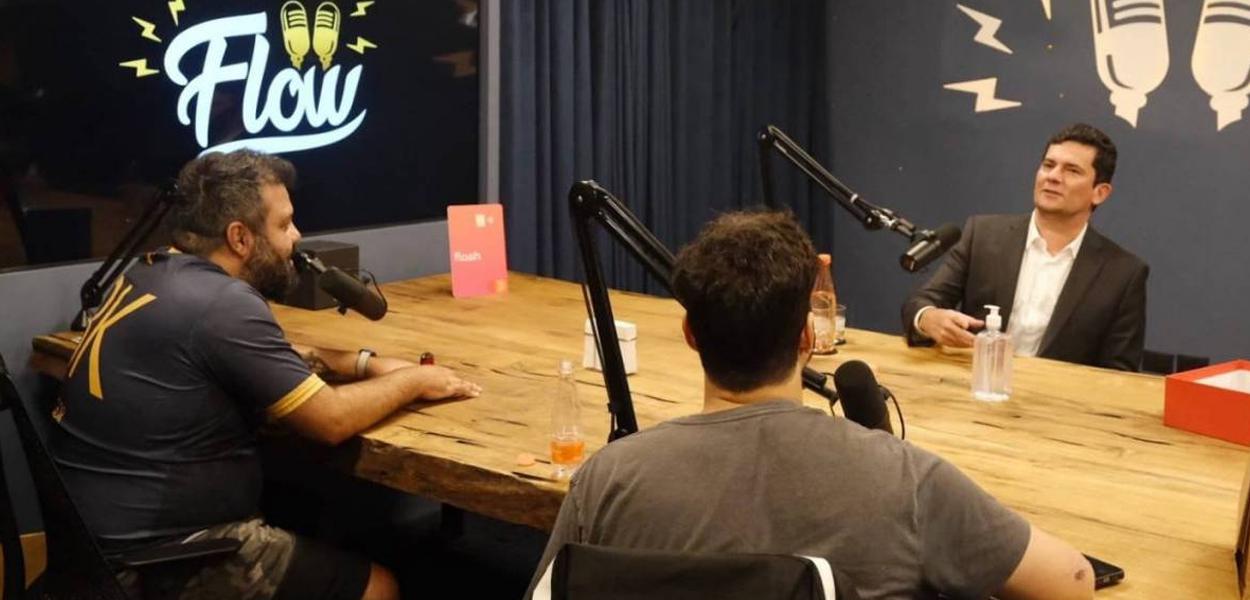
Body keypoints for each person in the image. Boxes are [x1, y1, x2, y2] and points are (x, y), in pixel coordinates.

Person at [527, 210, 1094, 600]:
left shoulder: (606, 479)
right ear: (807, 338)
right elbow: (1070, 582)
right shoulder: (907, 481)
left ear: (691, 335)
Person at [51, 150, 481, 600]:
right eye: (284, 224)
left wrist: (362, 364)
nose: (296, 237)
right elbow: (330, 420)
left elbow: (251, 354)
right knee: (379, 587)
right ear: (240, 237)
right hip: (160, 560)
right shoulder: (222, 304)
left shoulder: (152, 273)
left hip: (89, 545)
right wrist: (415, 380)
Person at [901, 123, 1148, 371]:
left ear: (1100, 193)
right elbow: (921, 302)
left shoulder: (1122, 274)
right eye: (1048, 165)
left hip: (1057, 394)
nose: (1053, 176)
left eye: (1072, 170)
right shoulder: (983, 236)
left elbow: (1119, 374)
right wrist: (928, 319)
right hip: (974, 383)